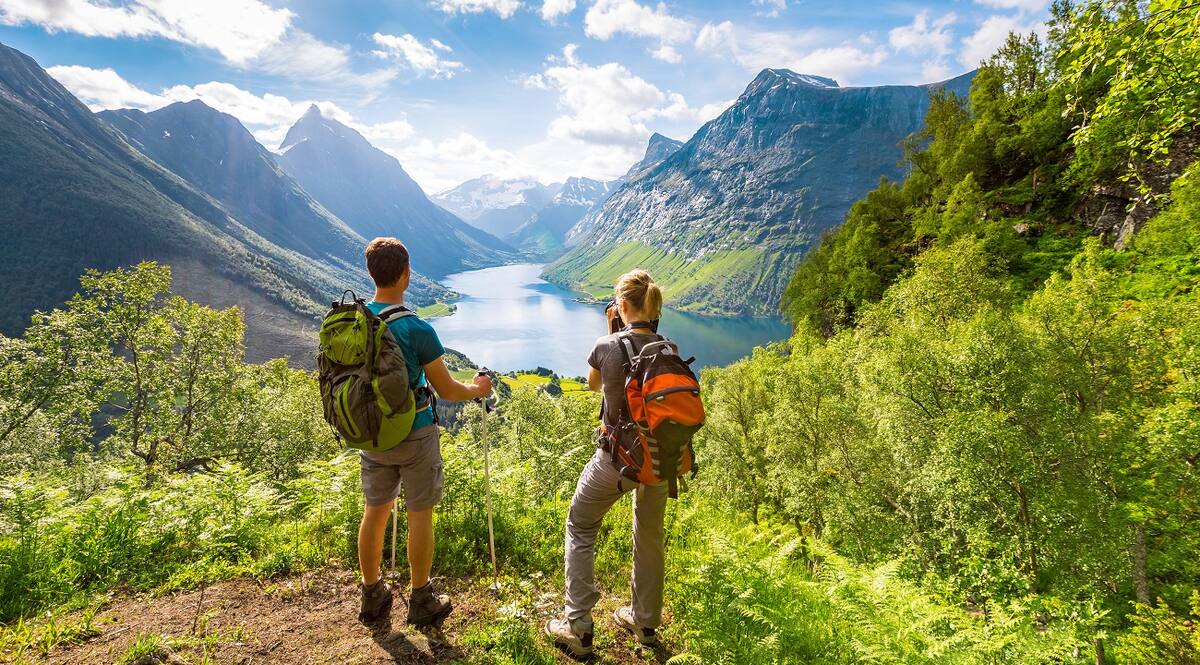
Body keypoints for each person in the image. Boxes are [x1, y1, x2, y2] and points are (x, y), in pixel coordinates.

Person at [356, 237, 492, 626]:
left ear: (371, 273)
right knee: (419, 515)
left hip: (371, 432)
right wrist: (477, 389)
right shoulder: (417, 328)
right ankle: (421, 599)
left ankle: (371, 593)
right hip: (414, 433)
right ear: (406, 274)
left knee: (374, 512)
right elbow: (447, 390)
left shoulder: (355, 321)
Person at [546, 269, 668, 657]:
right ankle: (645, 623)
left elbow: (593, 384)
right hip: (660, 461)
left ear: (623, 305)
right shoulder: (668, 347)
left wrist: (613, 330)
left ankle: (578, 626)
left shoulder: (607, 344)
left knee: (580, 525)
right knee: (649, 537)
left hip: (616, 460)